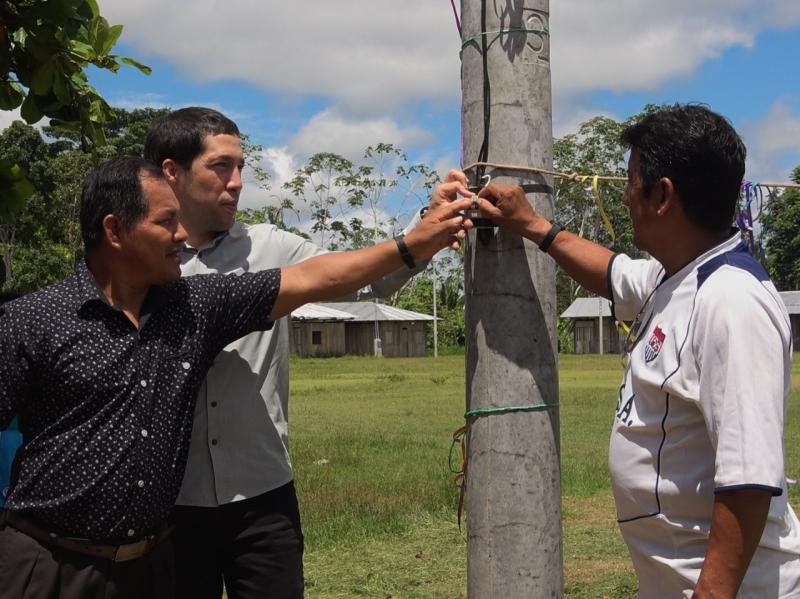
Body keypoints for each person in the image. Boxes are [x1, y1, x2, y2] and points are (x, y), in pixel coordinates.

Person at [0, 156, 472, 598]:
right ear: (115, 230)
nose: (181, 236)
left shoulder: (195, 307)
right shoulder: (31, 321)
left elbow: (316, 277)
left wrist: (415, 242)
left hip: (153, 569)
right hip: (46, 567)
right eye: (166, 222)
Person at [143, 107, 472, 599]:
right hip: (170, 503)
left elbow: (368, 278)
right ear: (172, 171)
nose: (236, 183)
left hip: (263, 499)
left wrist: (428, 222)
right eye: (220, 167)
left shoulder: (271, 247)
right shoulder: (142, 260)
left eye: (241, 168)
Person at [475, 104, 800, 598]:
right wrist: (532, 225)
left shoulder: (731, 302)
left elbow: (749, 479)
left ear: (663, 194)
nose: (624, 196)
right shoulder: (675, 276)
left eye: (630, 180)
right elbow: (611, 272)